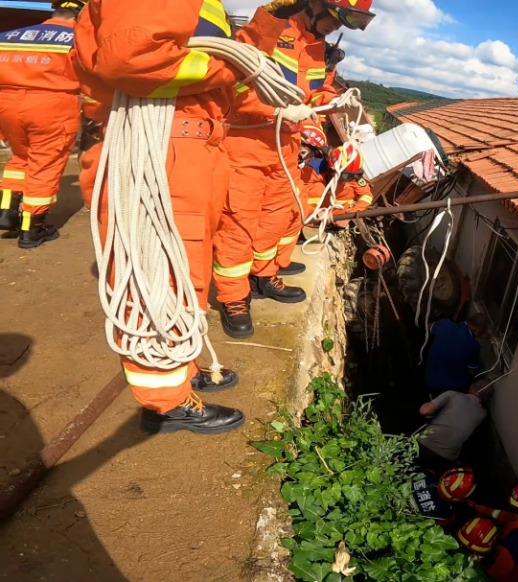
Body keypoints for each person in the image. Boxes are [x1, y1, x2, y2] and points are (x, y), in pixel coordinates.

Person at [71, 0, 306, 434]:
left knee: (186, 271)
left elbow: (222, 66)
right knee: (154, 275)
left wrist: (265, 28)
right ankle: (164, 404)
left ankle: (181, 367)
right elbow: (133, 60)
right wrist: (237, 68)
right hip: (162, 148)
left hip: (192, 148)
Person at [213, 0, 375, 340]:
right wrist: (274, 111)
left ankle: (265, 273)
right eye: (335, 17)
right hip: (248, 139)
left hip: (287, 145)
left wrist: (331, 88)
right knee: (239, 222)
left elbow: (312, 95)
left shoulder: (318, 48)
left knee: (281, 212)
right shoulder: (271, 29)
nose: (336, 27)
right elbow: (236, 80)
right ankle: (234, 297)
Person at [0, 0, 86, 248]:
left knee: (21, 157)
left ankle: (7, 210)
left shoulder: (10, 36)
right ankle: (32, 228)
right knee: (45, 163)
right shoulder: (78, 40)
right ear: (80, 14)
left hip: (7, 104)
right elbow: (91, 75)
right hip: (51, 106)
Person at [468, 478, 518, 582]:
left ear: (511, 502)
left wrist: (476, 557)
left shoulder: (510, 546)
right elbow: (505, 516)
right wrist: (478, 508)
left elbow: (494, 573)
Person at [417, 380, 492, 472]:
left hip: (424, 445)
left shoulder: (453, 395)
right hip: (446, 457)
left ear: (472, 386)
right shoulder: (483, 414)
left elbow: (424, 411)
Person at [425, 313, 489, 395]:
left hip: (430, 380)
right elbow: (471, 371)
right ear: (477, 331)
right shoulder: (474, 346)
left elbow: (428, 326)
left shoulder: (446, 324)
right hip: (451, 389)